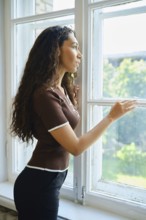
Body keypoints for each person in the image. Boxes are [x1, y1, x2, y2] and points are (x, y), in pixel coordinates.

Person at [10, 25, 136, 220]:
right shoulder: (45, 95)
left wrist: (73, 103)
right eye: (75, 46)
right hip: (38, 185)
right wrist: (111, 117)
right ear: (56, 50)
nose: (80, 55)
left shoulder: (59, 90)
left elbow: (62, 124)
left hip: (48, 181)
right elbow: (75, 147)